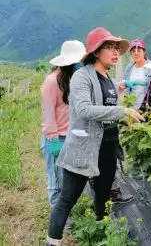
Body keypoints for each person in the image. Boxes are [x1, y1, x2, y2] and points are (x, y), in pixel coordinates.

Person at [46, 27, 144, 246]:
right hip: (83, 148)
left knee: (102, 194)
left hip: (107, 148)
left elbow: (107, 110)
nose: (116, 52)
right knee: (67, 199)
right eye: (109, 47)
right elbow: (84, 110)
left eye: (117, 48)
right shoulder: (82, 76)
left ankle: (101, 233)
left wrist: (123, 118)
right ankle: (52, 242)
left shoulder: (109, 77)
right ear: (96, 52)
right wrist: (122, 111)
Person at [40, 40, 86, 230]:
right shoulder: (52, 82)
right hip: (56, 138)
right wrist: (53, 142)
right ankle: (56, 214)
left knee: (67, 177)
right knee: (56, 177)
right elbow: (48, 116)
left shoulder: (74, 79)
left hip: (70, 137)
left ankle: (62, 210)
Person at [122, 39, 151, 109]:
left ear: (144, 52)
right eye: (133, 51)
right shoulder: (128, 68)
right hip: (131, 107)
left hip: (146, 107)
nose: (136, 53)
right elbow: (126, 88)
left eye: (139, 51)